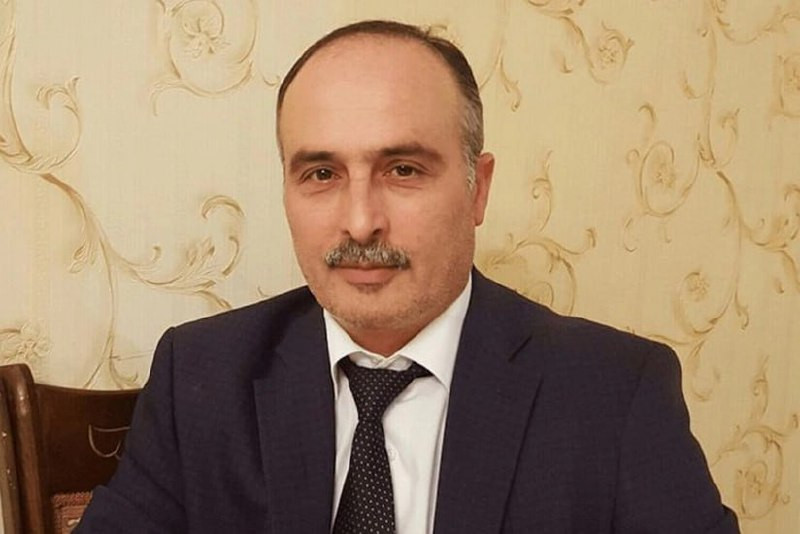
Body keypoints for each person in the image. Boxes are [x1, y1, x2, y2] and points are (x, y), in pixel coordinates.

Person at [77, 20, 739, 533]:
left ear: (477, 190)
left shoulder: (613, 395)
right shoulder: (200, 376)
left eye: (403, 170)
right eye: (321, 174)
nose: (360, 222)